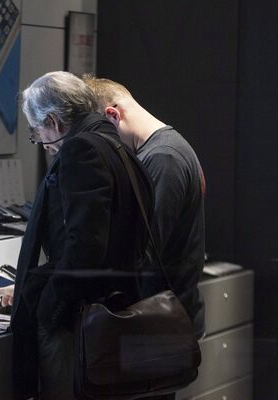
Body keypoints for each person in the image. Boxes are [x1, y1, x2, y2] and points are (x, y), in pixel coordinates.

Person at [0, 71, 154, 399]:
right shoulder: (117, 145)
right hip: (117, 308)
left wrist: (50, 307)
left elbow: (85, 245)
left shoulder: (82, 149)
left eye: (37, 131)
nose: (42, 142)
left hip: (81, 319)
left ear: (53, 121)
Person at [83, 76, 206, 340]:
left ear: (113, 116)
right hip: (162, 321)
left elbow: (144, 253)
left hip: (162, 326)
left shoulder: (163, 158)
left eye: (100, 134)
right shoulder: (165, 150)